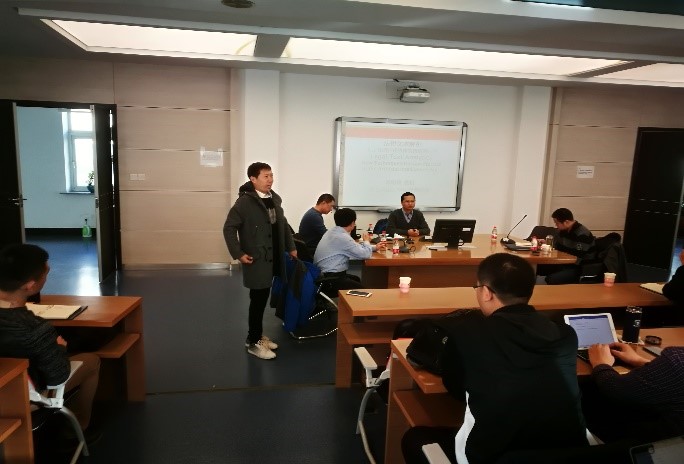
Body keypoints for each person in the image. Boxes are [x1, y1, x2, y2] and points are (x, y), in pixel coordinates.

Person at [402, 253, 588, 464]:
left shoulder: (466, 334)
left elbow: (455, 388)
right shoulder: (565, 334)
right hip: (571, 454)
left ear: (486, 293)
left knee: (414, 438)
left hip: (495, 457)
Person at [0, 244, 100, 435]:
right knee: (91, 361)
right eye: (46, 273)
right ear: (30, 286)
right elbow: (58, 376)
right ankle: (79, 429)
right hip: (22, 399)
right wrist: (60, 348)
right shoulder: (34, 328)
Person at [223, 162, 297, 360]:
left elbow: (283, 225)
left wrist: (291, 247)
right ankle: (253, 342)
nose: (270, 180)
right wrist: (238, 253)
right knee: (257, 300)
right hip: (257, 259)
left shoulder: (274, 199)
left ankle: (256, 336)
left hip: (274, 258)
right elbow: (229, 228)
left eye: (271, 175)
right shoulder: (244, 202)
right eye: (266, 176)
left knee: (262, 298)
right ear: (253, 179)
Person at [582, 341, 684, 444]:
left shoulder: (676, 360)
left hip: (653, 445)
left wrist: (600, 363)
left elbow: (615, 389)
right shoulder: (678, 360)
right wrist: (639, 360)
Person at [314, 208, 386, 295]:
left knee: (356, 279)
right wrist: (367, 241)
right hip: (331, 280)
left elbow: (354, 247)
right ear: (352, 223)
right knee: (364, 292)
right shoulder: (342, 237)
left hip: (323, 276)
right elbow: (365, 254)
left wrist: (374, 247)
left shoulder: (333, 232)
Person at [545, 207, 596, 285]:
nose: (556, 225)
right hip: (565, 263)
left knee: (552, 278)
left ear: (566, 222)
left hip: (580, 267)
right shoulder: (564, 231)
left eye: (557, 223)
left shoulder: (582, 234)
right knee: (539, 268)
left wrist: (560, 248)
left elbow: (577, 255)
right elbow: (557, 245)